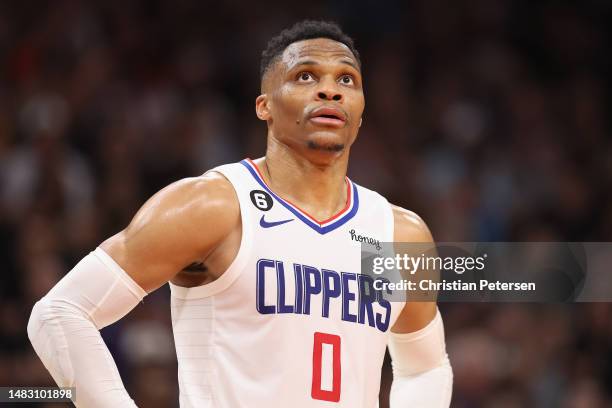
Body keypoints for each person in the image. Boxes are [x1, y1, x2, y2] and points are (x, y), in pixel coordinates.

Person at [27, 20, 452, 407]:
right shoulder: (215, 206)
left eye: (347, 79)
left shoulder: (395, 234)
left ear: (359, 114)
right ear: (264, 106)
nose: (330, 90)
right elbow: (58, 313)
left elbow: (425, 367)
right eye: (306, 76)